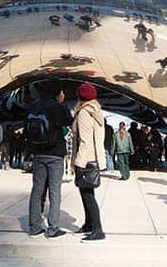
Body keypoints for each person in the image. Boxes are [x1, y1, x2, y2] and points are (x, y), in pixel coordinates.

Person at [27, 79, 73, 239]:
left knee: (37, 190)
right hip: (55, 153)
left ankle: (34, 227)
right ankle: (53, 228)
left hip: (38, 152)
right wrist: (62, 103)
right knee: (55, 191)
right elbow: (69, 121)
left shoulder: (34, 105)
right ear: (57, 92)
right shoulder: (57, 106)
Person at [72, 82, 106, 241]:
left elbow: (84, 141)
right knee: (86, 192)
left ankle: (98, 230)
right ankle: (89, 224)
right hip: (94, 158)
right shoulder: (96, 111)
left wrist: (78, 163)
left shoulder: (84, 112)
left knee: (87, 195)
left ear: (80, 96)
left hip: (85, 160)